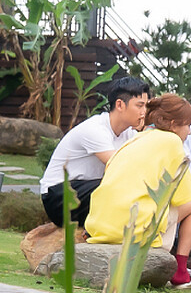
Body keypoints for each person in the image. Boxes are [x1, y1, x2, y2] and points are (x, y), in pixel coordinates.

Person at [85, 93, 191, 288]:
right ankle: (181, 273)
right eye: (188, 125)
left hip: (99, 227)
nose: (190, 132)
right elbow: (181, 198)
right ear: (174, 124)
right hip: (136, 229)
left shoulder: (134, 139)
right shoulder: (172, 142)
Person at [40, 76, 150, 227]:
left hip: (87, 193)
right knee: (123, 184)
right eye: (140, 106)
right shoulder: (95, 129)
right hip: (58, 197)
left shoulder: (129, 134)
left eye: (146, 106)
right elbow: (121, 167)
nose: (144, 112)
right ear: (120, 105)